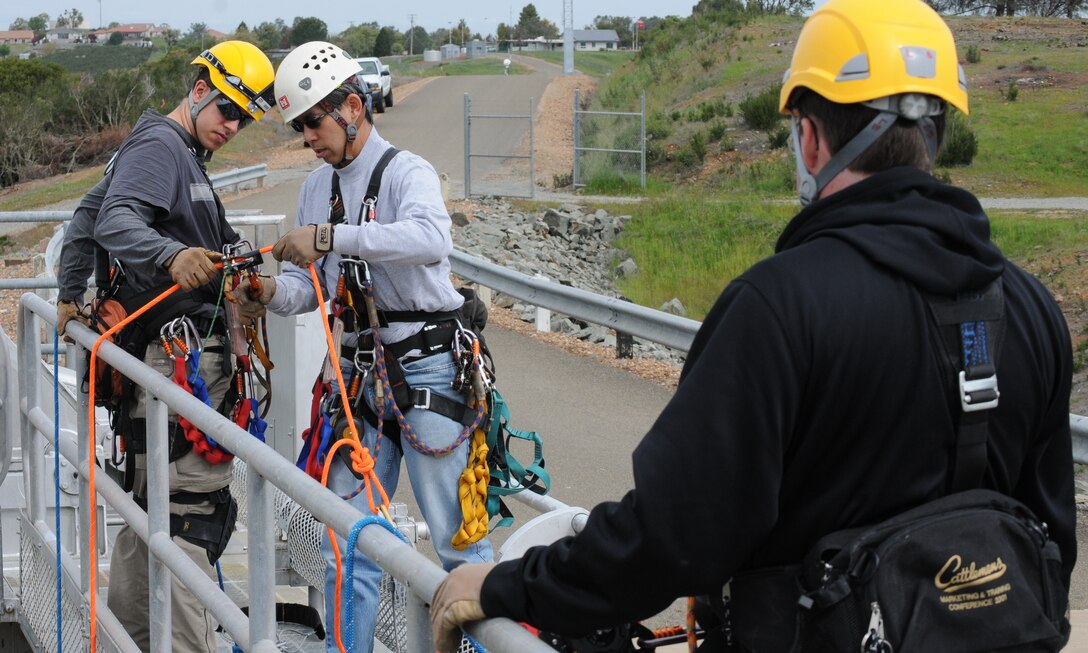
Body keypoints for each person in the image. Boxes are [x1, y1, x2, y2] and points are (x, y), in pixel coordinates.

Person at [430, 0, 1076, 651]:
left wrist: (503, 585)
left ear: (813, 138)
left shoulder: (779, 308)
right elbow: (1051, 545)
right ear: (935, 132)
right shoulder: (1027, 307)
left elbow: (671, 541)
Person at [234, 41, 493, 652]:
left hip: (427, 365)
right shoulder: (316, 187)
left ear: (353, 107)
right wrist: (268, 290)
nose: (307, 139)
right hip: (361, 379)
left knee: (457, 542)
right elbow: (311, 290)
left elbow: (430, 239)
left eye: (313, 123)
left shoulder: (407, 173)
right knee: (349, 540)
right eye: (299, 128)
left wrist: (329, 234)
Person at [56, 40, 275, 652]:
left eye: (245, 118)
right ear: (201, 87)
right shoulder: (161, 148)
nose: (233, 125)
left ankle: (131, 638)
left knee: (152, 505)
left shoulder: (177, 153)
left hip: (171, 360)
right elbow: (114, 221)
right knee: (188, 514)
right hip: (179, 362)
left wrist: (72, 292)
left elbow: (86, 217)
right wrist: (171, 255)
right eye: (228, 108)